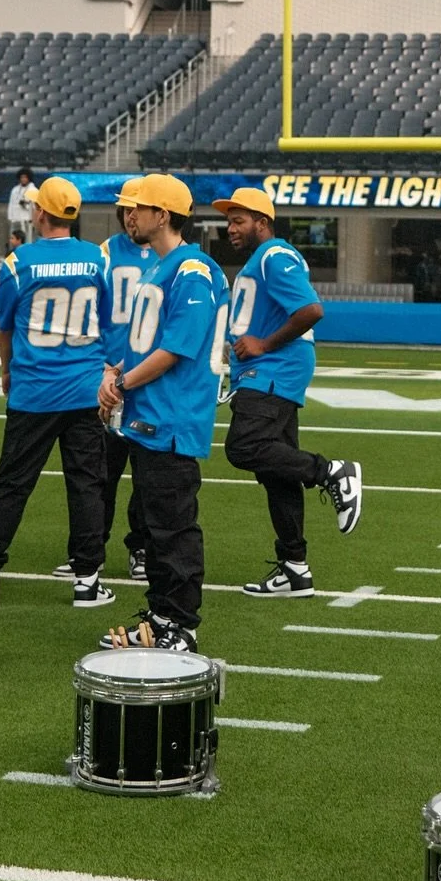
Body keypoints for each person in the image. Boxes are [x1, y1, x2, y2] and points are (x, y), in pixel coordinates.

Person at [96, 173, 228, 654]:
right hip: (148, 417)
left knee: (173, 528)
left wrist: (124, 382)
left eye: (138, 207)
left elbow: (176, 348)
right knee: (154, 527)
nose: (129, 215)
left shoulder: (192, 270)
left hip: (172, 418)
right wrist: (114, 375)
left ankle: (179, 626)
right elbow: (145, 344)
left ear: (163, 215)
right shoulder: (162, 266)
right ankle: (160, 616)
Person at [0, 177, 116, 607]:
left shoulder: (20, 262)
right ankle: (87, 579)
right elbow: (105, 323)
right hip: (84, 389)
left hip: (35, 389)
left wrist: (10, 374)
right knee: (87, 485)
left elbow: (5, 330)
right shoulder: (96, 259)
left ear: (41, 213)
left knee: (13, 484)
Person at [218, 187, 362, 597]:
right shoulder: (261, 260)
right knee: (276, 470)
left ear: (262, 222)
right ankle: (295, 567)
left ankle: (332, 472)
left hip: (273, 370)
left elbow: (311, 310)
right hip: (266, 370)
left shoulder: (273, 255)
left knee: (243, 448)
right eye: (229, 221)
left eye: (239, 220)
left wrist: (263, 345)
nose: (231, 228)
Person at [87, 177, 155, 584]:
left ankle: (142, 547)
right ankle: (90, 553)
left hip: (149, 380)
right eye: (126, 207)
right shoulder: (105, 253)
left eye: (138, 206)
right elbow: (90, 313)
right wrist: (103, 366)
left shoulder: (171, 258)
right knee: (101, 473)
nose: (131, 214)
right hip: (111, 377)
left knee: (147, 475)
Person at [7, 167, 36, 248]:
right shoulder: (15, 190)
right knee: (13, 239)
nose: (23, 179)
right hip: (16, 219)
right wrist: (10, 218)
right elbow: (11, 204)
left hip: (27, 220)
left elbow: (34, 206)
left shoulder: (33, 190)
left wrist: (25, 205)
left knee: (27, 240)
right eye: (22, 177)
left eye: (25, 177)